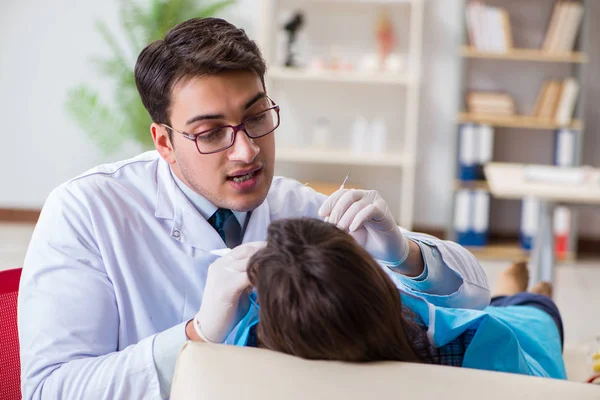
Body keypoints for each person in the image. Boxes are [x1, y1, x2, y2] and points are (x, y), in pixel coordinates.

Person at [18, 17, 490, 400]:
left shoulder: (296, 207)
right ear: (164, 141)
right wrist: (197, 334)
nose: (246, 152)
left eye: (257, 118)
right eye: (210, 132)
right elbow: (50, 389)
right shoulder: (86, 212)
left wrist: (405, 253)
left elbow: (476, 299)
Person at [243, 218, 566, 379]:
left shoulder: (274, 341)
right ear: (378, 282)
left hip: (504, 324)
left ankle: (510, 291)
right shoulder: (463, 339)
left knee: (504, 304)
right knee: (526, 306)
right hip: (518, 327)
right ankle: (515, 291)